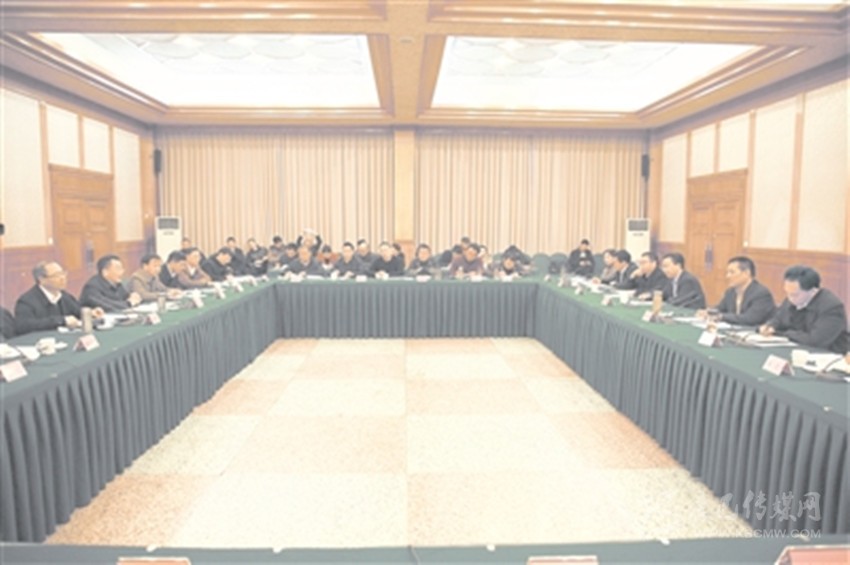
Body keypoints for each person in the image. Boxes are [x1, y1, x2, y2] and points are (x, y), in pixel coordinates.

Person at [759, 266, 848, 353]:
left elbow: (815, 341)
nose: (789, 298)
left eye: (794, 294)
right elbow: (779, 318)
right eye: (787, 293)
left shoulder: (832, 307)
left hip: (828, 354)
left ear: (813, 291)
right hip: (797, 348)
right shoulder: (792, 298)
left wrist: (784, 333)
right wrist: (771, 325)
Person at [14, 261, 102, 335]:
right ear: (41, 279)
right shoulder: (27, 302)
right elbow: (24, 326)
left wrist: (90, 313)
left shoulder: (64, 296)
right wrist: (61, 321)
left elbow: (76, 311)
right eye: (57, 275)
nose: (63, 278)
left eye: (63, 273)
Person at [698, 257, 775, 326]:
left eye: (732, 272)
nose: (728, 276)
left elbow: (750, 318)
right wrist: (708, 312)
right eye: (727, 272)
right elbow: (720, 308)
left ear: (746, 273)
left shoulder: (761, 294)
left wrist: (721, 317)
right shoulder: (730, 292)